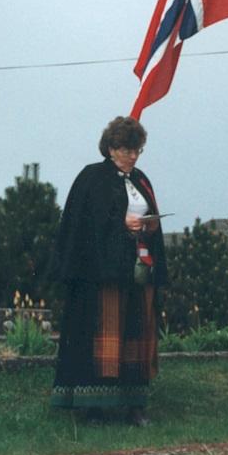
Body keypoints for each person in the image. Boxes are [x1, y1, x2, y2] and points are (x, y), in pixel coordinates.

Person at [50, 116, 167, 426]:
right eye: (127, 150)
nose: (133, 156)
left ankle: (135, 406)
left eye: (137, 150)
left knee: (136, 338)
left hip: (137, 272)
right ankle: (94, 406)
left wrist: (151, 225)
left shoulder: (141, 179)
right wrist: (120, 225)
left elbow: (148, 217)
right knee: (104, 337)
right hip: (101, 277)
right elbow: (82, 226)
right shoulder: (91, 178)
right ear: (111, 148)